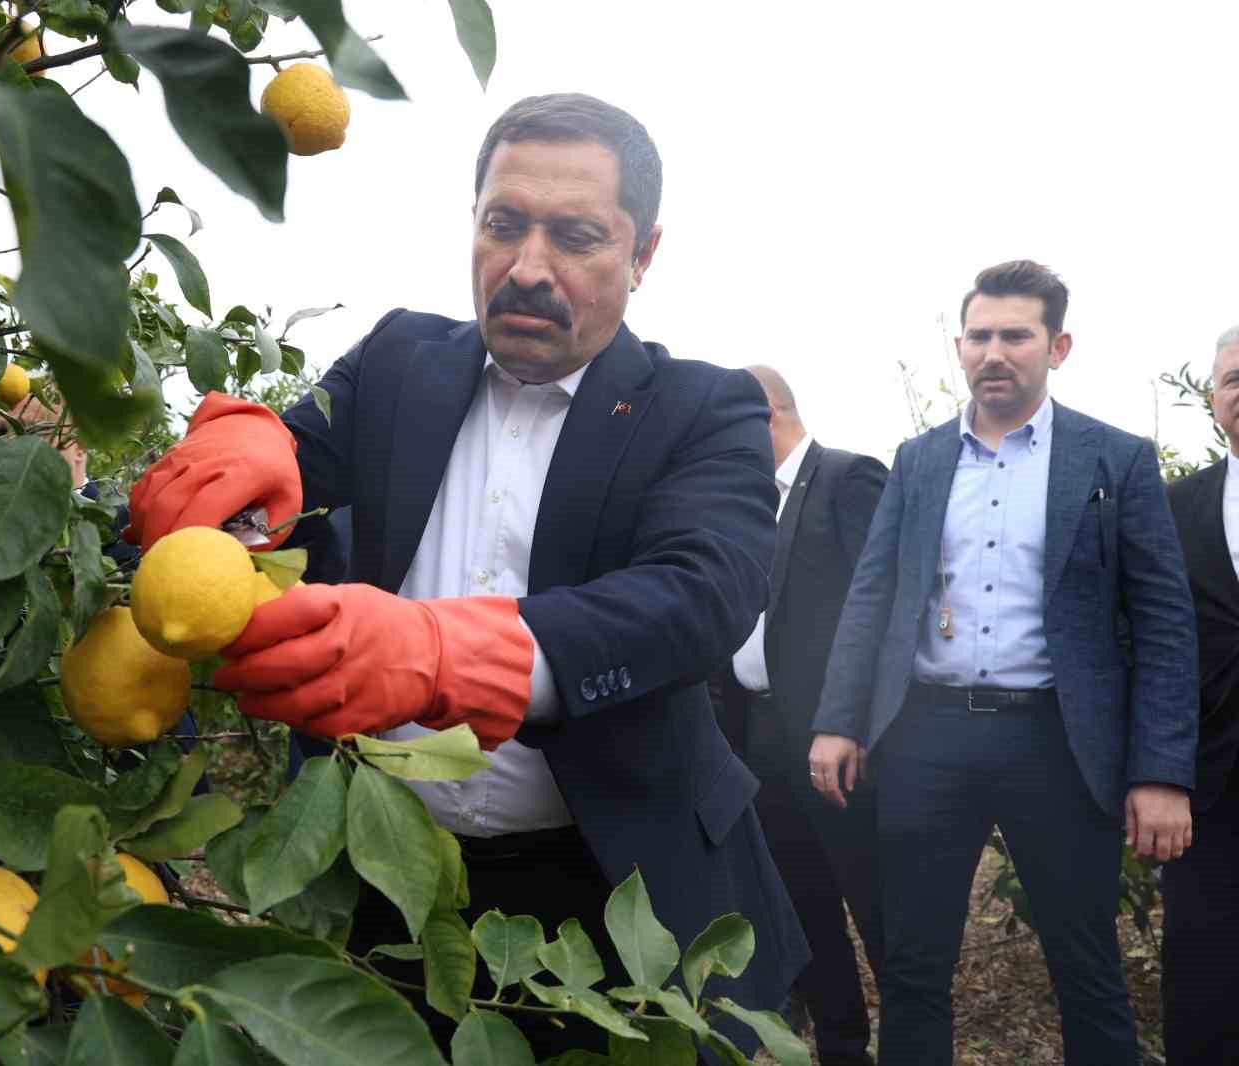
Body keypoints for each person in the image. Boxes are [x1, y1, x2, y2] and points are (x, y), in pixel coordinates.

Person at [126, 92, 807, 1060]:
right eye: (503, 224)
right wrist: (246, 437)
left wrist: (451, 650)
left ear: (642, 254)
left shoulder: (701, 408)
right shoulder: (400, 360)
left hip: (621, 890)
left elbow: (701, 592)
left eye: (574, 236)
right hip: (389, 884)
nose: (528, 267)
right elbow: (285, 473)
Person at [807, 260, 1197, 1066]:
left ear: (1057, 346)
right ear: (958, 346)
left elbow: (1163, 621)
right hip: (927, 740)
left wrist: (1160, 771)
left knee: (1087, 969)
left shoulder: (1112, 460)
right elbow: (873, 594)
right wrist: (839, 719)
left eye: (1015, 336)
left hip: (1056, 742)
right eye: (979, 336)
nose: (995, 352)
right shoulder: (918, 460)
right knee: (913, 968)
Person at [717, 365, 886, 1066]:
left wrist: (853, 723)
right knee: (801, 907)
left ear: (764, 416)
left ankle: (913, 1042)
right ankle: (842, 1047)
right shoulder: (739, 507)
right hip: (757, 737)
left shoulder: (850, 479)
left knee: (877, 906)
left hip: (837, 741)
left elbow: (883, 607)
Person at [1161, 327, 1239, 1065]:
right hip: (1208, 786)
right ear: (1213, 398)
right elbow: (1148, 644)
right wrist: (1156, 773)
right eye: (1234, 380)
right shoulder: (1174, 507)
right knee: (1204, 980)